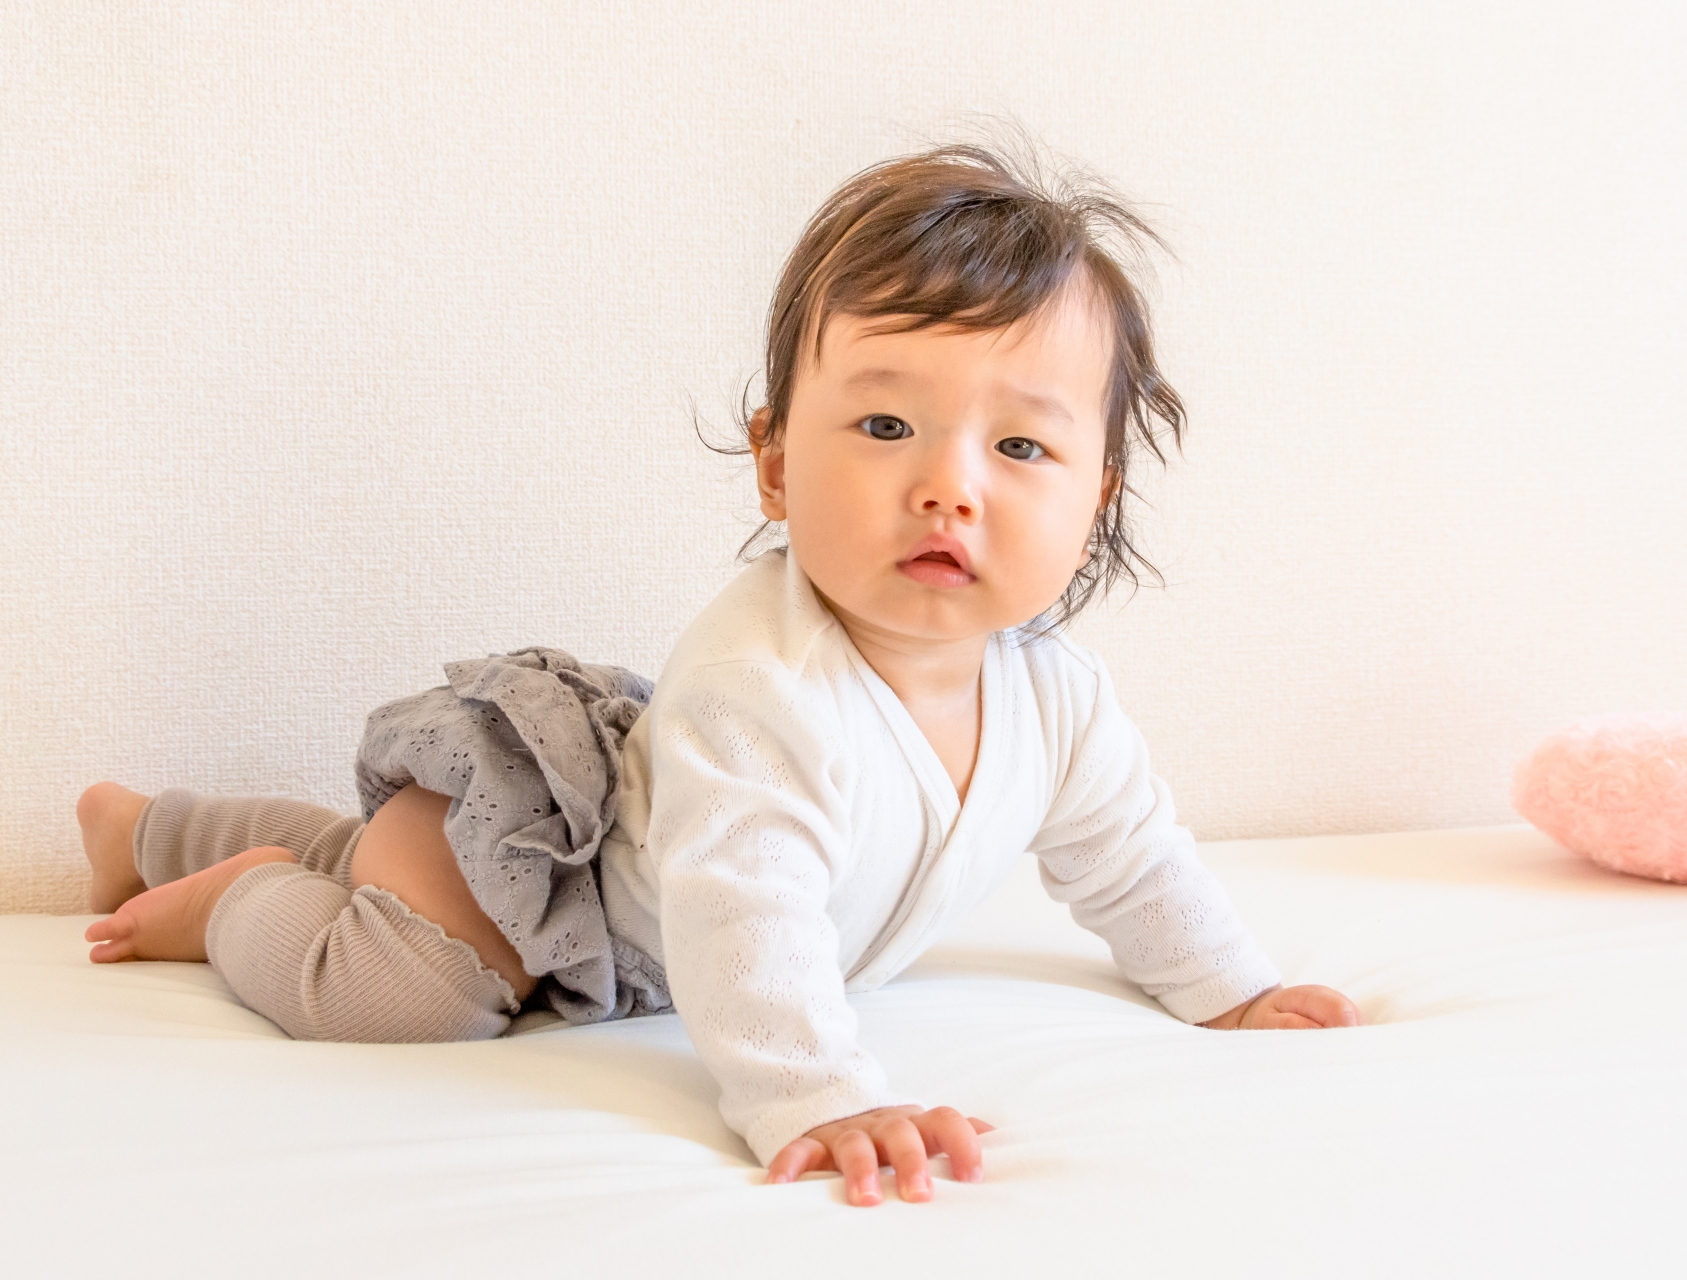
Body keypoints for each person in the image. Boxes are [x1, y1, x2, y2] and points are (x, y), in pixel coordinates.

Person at [77, 141, 1362, 1208]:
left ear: (1098, 497)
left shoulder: (1058, 701)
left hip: (604, 896)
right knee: (395, 989)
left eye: (1021, 445)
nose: (949, 485)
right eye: (885, 424)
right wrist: (823, 1093)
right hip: (533, 885)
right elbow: (744, 919)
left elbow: (1134, 863)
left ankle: (145, 827)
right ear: (776, 462)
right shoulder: (765, 686)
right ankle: (233, 893)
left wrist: (1232, 988)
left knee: (370, 863)